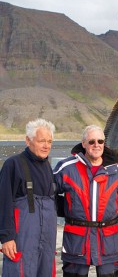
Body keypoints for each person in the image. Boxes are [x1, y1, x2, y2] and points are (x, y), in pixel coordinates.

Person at [53, 125, 118, 277]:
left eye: (100, 141)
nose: (96, 145)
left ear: (104, 143)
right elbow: (46, 195)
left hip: (108, 242)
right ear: (83, 143)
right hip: (76, 242)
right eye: (91, 141)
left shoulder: (117, 170)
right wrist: (63, 209)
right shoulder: (66, 168)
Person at [0, 118, 57, 277]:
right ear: (28, 140)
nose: (46, 146)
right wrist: (7, 238)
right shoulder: (13, 164)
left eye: (49, 141)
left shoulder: (48, 167)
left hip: (46, 242)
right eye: (41, 141)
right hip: (22, 242)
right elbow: (3, 203)